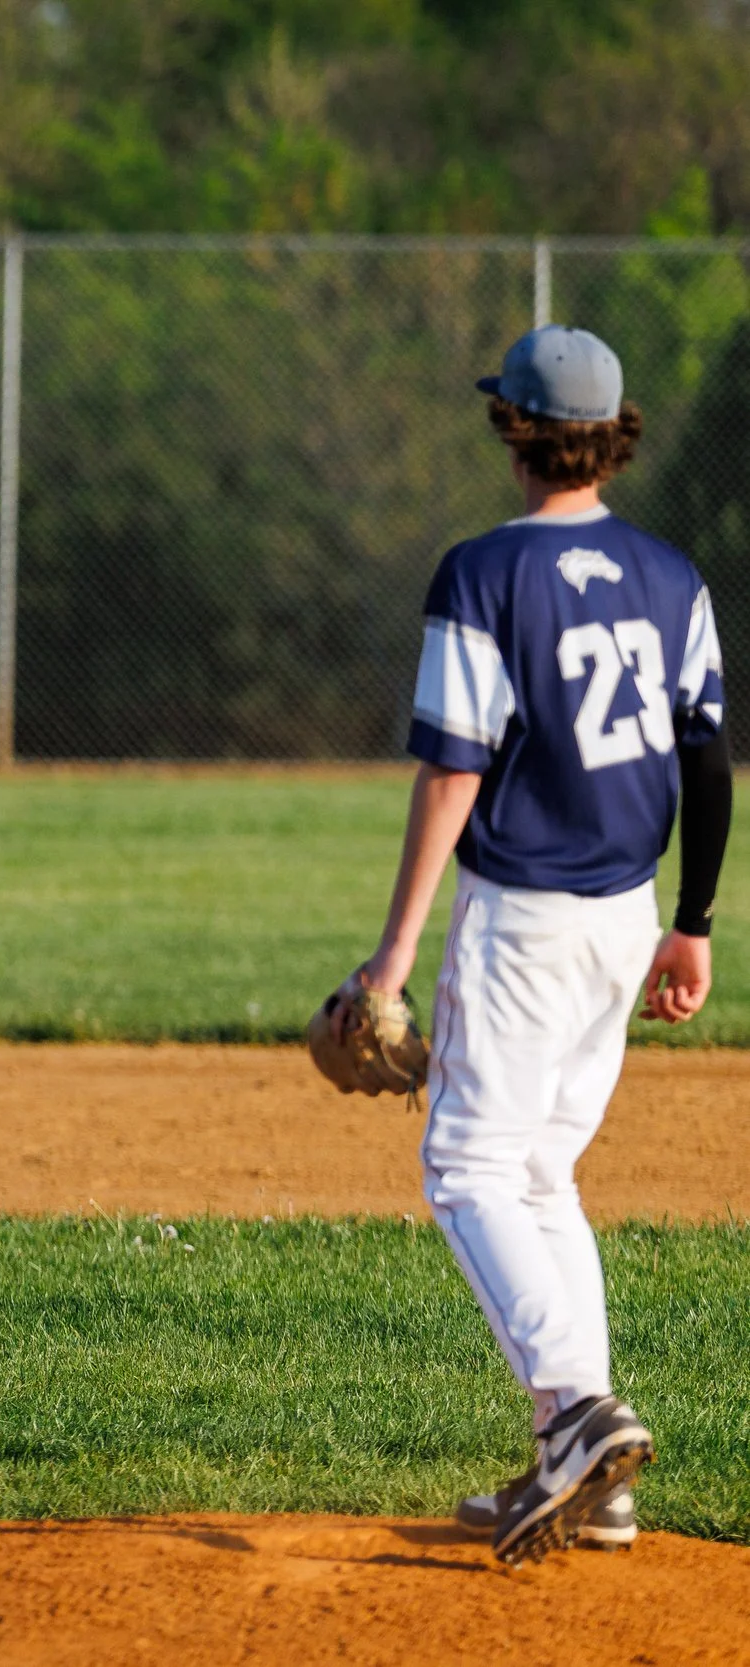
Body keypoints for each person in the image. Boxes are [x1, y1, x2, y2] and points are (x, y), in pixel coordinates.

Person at [352, 325, 730, 1562]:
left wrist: (391, 960)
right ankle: (596, 1479)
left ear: (513, 430)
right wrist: (695, 921)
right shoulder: (673, 576)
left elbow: (454, 766)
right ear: (608, 435)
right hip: (629, 915)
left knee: (463, 1168)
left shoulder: (481, 574)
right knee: (542, 1173)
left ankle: (577, 1411)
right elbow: (709, 761)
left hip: (521, 917)